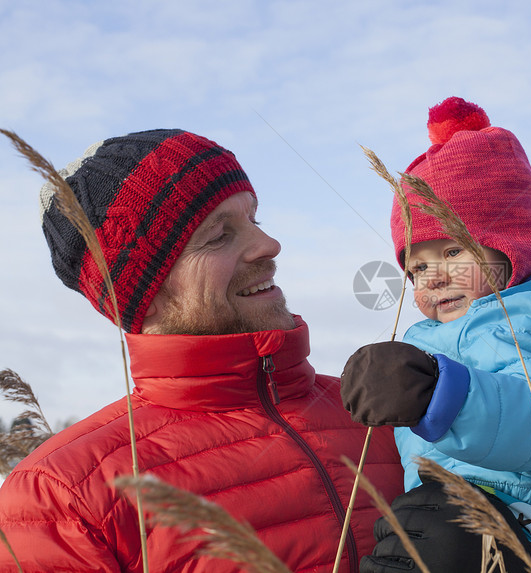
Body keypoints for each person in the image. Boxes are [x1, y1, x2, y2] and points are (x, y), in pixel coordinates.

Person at [0, 129, 404, 572]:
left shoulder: (382, 412)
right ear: (141, 295)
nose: (269, 246)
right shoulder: (61, 498)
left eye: (255, 220)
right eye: (218, 236)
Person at [340, 97, 531, 573]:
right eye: (417, 266)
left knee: (429, 542)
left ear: (511, 248)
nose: (433, 277)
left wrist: (432, 393)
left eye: (453, 252)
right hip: (479, 507)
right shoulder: (432, 335)